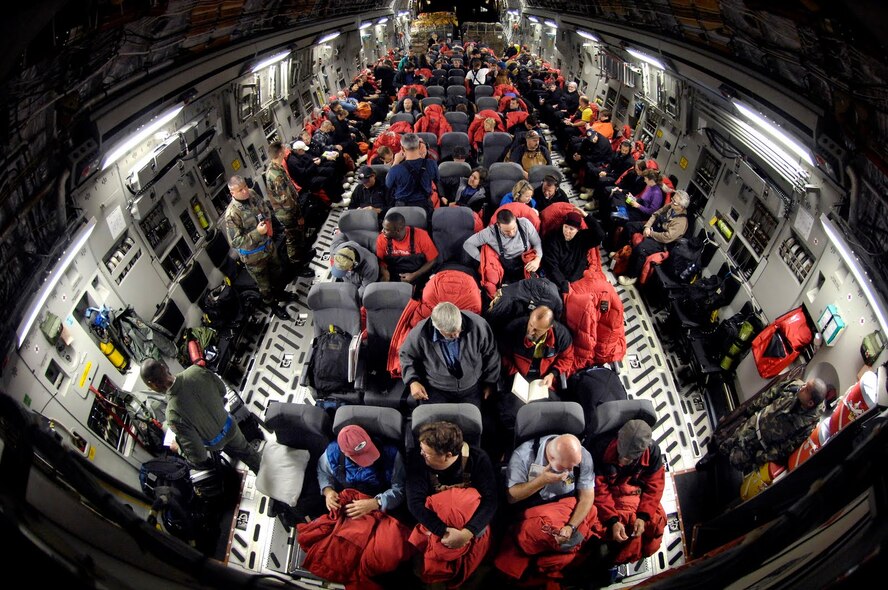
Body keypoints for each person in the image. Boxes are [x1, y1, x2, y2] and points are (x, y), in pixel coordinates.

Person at [407, 421, 498, 586]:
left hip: (469, 523)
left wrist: (467, 533)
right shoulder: (417, 459)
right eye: (421, 449)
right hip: (436, 522)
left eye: (427, 453)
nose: (421, 454)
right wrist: (444, 531)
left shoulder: (477, 458)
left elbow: (490, 500)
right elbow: (415, 503)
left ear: (447, 455)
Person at [140, 359, 261, 473]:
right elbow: (222, 391)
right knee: (248, 453)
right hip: (231, 425)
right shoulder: (196, 370)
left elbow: (199, 456)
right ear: (163, 366)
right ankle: (264, 472)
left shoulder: (172, 414)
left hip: (216, 443)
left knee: (231, 450)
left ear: (152, 385)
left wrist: (179, 449)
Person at [697, 377, 827, 473]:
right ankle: (713, 457)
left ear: (810, 403)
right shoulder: (794, 386)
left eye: (806, 389)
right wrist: (750, 410)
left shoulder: (808, 424)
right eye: (805, 384)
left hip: (761, 444)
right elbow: (770, 394)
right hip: (755, 422)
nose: (802, 387)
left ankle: (724, 466)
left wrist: (765, 456)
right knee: (728, 441)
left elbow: (788, 446)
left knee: (736, 460)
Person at [592, 420, 667, 565]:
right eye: (621, 455)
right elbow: (599, 489)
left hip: (636, 492)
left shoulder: (653, 452)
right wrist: (613, 521)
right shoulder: (600, 448)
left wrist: (643, 516)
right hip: (610, 495)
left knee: (654, 531)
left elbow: (655, 486)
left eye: (629, 458)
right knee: (603, 533)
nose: (622, 461)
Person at [223, 175, 297, 319]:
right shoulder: (232, 214)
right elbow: (235, 242)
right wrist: (258, 232)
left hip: (268, 246)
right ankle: (273, 305)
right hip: (254, 258)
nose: (245, 191)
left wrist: (268, 226)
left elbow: (265, 210)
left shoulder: (252, 194)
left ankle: (281, 294)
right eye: (240, 190)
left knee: (277, 273)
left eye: (245, 186)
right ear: (232, 193)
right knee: (265, 286)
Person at [400, 302, 501, 408]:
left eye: (459, 330)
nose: (457, 336)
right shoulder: (419, 333)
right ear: (437, 328)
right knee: (434, 419)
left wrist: (490, 382)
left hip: (472, 387)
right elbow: (406, 356)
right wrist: (412, 381)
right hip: (436, 389)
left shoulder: (479, 325)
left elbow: (491, 353)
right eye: (451, 334)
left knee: (471, 418)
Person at [504, 433, 596, 547]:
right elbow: (511, 497)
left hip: (566, 509)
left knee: (591, 510)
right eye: (565, 467)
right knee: (532, 533)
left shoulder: (583, 456)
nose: (570, 470)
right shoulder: (523, 455)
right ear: (551, 458)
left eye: (574, 466)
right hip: (536, 511)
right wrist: (541, 481)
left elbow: (587, 497)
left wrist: (571, 526)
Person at [318, 424, 406, 518]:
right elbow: (323, 473)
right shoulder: (332, 453)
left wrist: (377, 502)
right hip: (348, 505)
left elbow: (399, 489)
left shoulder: (391, 454)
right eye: (360, 457)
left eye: (368, 451)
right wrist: (328, 491)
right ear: (345, 453)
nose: (369, 460)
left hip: (379, 505)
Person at [617, 190, 690, 286]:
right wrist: (647, 226)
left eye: (674, 202)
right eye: (672, 199)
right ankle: (620, 253)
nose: (671, 202)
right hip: (653, 228)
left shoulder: (681, 222)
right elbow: (655, 214)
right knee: (629, 226)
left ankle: (631, 276)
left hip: (662, 241)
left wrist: (650, 233)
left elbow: (666, 237)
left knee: (640, 249)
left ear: (681, 207)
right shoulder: (670, 206)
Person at [264, 142, 313, 273]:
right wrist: (298, 216)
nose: (286, 150)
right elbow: (287, 201)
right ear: (280, 153)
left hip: (290, 210)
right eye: (284, 149)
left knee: (298, 235)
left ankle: (303, 256)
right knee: (293, 240)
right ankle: (298, 267)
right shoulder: (276, 176)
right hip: (288, 213)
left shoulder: (276, 168)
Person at [463, 208, 543, 284]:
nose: (511, 233)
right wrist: (483, 260)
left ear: (515, 220)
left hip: (527, 262)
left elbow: (537, 243)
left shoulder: (525, 223)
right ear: (498, 225)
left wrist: (537, 260)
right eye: (507, 231)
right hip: (507, 270)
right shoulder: (489, 233)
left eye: (514, 228)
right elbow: (468, 244)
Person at [542, 209, 606, 293]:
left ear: (577, 230)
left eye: (571, 229)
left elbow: (600, 235)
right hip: (560, 282)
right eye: (565, 227)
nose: (567, 231)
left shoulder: (582, 237)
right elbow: (552, 267)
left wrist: (587, 217)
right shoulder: (552, 239)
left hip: (580, 279)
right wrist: (564, 285)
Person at [375, 211, 438, 291]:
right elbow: (381, 261)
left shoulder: (421, 235)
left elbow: (432, 260)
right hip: (394, 276)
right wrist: (384, 272)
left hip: (418, 275)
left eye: (386, 229)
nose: (382, 231)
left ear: (397, 230)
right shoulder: (381, 239)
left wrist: (414, 275)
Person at [386, 133, 439, 218]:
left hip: (402, 210)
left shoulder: (396, 169)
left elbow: (388, 184)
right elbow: (436, 180)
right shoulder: (431, 164)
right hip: (424, 208)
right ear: (419, 146)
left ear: (402, 148)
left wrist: (395, 162)